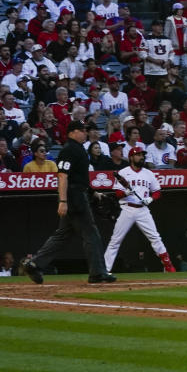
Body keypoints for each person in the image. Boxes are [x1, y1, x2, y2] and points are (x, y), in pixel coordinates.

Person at [20, 121, 116, 284]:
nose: (85, 133)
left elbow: (79, 178)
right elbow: (63, 176)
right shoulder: (70, 149)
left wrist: (94, 193)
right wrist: (63, 200)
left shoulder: (78, 149)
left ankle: (35, 264)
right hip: (74, 197)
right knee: (91, 234)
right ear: (72, 132)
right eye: (82, 130)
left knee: (62, 235)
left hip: (77, 194)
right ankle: (98, 272)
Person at [102, 148, 176, 274]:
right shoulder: (123, 172)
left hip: (143, 209)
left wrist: (150, 199)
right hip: (127, 208)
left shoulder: (148, 173)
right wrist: (126, 192)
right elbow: (117, 193)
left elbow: (157, 191)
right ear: (131, 157)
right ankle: (104, 269)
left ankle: (168, 266)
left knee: (155, 237)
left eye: (142, 155)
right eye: (138, 155)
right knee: (116, 240)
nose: (141, 157)